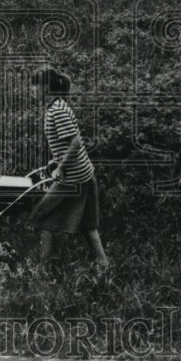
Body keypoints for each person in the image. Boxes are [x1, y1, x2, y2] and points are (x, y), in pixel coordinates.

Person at [28, 66, 108, 267]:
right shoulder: (58, 107)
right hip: (84, 173)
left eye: (34, 86)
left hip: (73, 176)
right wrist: (56, 161)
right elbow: (70, 142)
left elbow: (74, 143)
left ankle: (43, 268)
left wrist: (61, 168)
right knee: (88, 224)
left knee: (42, 216)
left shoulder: (57, 111)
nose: (32, 91)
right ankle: (103, 263)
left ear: (45, 88)